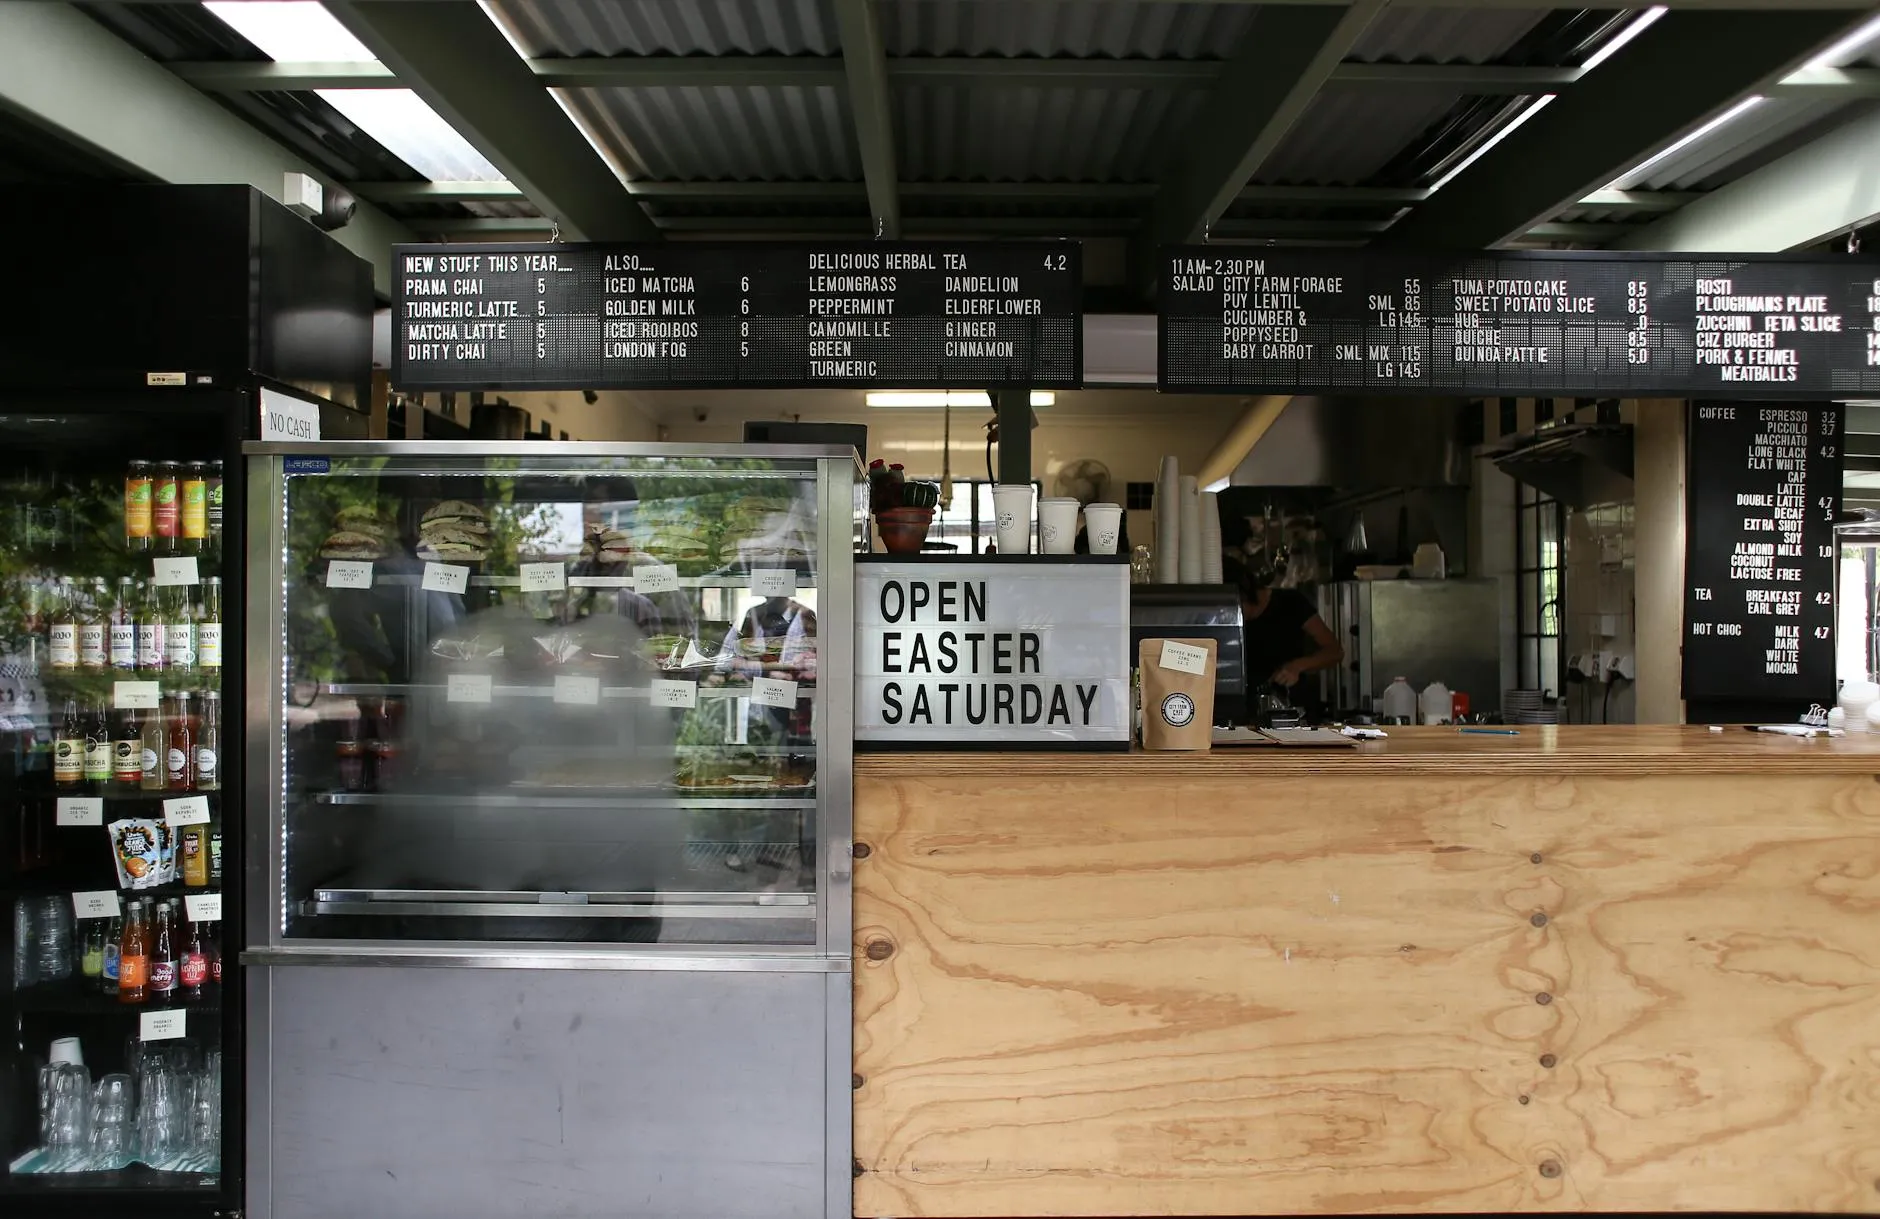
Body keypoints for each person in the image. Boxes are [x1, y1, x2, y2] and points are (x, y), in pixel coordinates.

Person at [1237, 562, 1342, 691]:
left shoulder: (1290, 602)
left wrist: (1297, 666)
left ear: (1245, 593)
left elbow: (1335, 651)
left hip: (1289, 703)